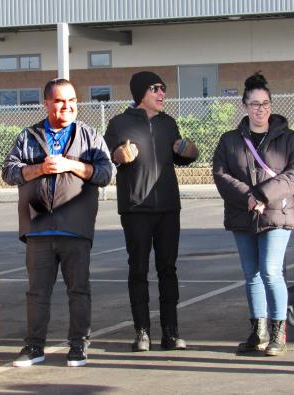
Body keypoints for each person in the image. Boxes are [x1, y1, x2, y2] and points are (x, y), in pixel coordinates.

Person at [2, 78, 115, 367]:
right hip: (38, 229)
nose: (68, 106)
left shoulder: (90, 136)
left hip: (75, 229)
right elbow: (9, 172)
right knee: (37, 292)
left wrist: (72, 165)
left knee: (79, 290)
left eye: (73, 101)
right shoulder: (27, 137)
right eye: (60, 101)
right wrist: (39, 168)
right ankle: (34, 347)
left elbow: (105, 174)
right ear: (46, 103)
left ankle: (78, 346)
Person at [213, 72, 294, 356]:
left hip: (277, 213)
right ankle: (259, 331)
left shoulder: (289, 139)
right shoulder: (229, 140)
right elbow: (220, 174)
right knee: (251, 274)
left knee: (270, 271)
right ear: (244, 106)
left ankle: (278, 332)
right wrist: (248, 198)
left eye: (265, 103)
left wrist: (262, 195)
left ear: (271, 105)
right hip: (243, 215)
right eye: (254, 104)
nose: (260, 109)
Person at [104, 71, 198, 352]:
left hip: (169, 207)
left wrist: (189, 150)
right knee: (138, 270)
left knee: (168, 269)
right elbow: (108, 159)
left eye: (164, 89)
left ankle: (170, 332)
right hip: (136, 208)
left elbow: (183, 157)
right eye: (156, 89)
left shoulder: (169, 123)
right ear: (141, 93)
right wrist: (120, 155)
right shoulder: (119, 124)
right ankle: (142, 332)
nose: (162, 94)